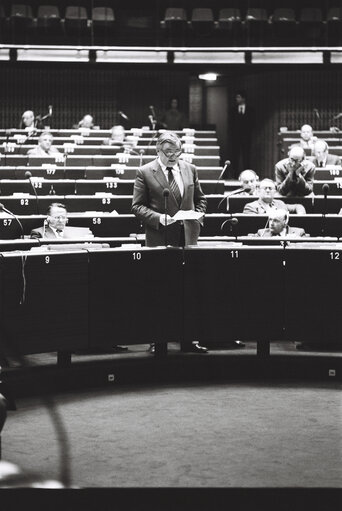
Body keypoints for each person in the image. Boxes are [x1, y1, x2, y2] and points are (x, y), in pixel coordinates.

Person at [132, 131, 208, 354]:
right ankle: (159, 339)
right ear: (158, 151)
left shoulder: (189, 169)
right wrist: (158, 218)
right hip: (160, 239)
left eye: (177, 151)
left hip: (188, 238)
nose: (174, 156)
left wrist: (198, 216)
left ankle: (189, 340)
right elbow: (137, 206)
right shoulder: (145, 172)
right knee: (160, 291)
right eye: (168, 152)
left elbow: (200, 199)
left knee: (190, 290)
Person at [229, 90, 254, 178]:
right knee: (235, 157)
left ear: (243, 98)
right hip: (235, 138)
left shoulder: (250, 110)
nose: (237, 99)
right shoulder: (233, 110)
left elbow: (253, 124)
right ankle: (235, 175)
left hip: (246, 138)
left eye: (239, 97)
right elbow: (230, 125)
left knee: (246, 157)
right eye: (236, 97)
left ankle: (247, 175)